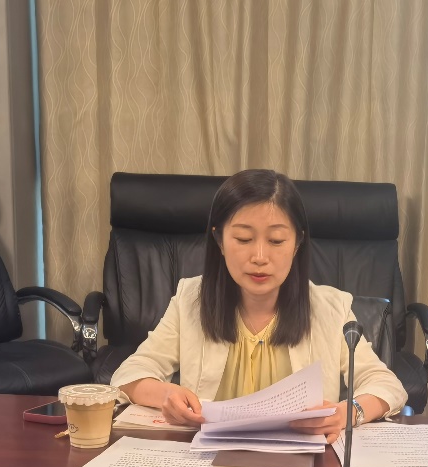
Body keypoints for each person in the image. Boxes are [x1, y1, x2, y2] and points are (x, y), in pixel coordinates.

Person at [111, 169, 408, 441]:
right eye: (243, 239)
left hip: (302, 466)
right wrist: (166, 394)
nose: (260, 257)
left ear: (297, 243)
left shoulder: (331, 308)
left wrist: (348, 412)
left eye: (276, 241)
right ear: (219, 240)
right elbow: (129, 374)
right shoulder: (190, 300)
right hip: (208, 464)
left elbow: (386, 385)